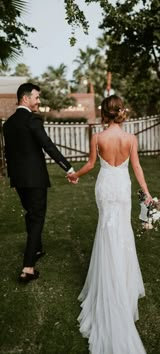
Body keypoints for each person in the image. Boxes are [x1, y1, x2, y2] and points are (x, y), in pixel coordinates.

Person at [68, 95, 152, 353]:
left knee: (107, 231)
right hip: (122, 187)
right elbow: (136, 166)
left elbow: (92, 165)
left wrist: (74, 175)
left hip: (105, 188)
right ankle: (122, 283)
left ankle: (110, 281)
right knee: (122, 231)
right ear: (122, 113)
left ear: (105, 113)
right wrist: (146, 193)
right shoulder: (130, 139)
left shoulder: (97, 138)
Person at [3, 83, 76, 283]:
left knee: (31, 214)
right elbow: (48, 146)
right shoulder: (32, 120)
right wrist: (68, 168)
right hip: (35, 179)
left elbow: (8, 154)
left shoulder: (8, 124)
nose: (38, 101)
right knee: (37, 218)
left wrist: (13, 177)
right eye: (36, 97)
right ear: (25, 98)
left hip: (19, 180)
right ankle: (27, 267)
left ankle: (36, 249)